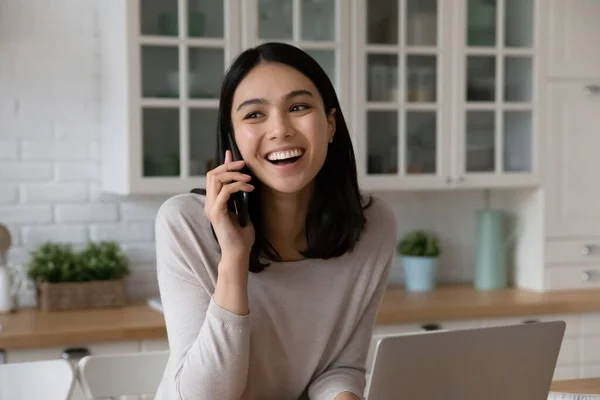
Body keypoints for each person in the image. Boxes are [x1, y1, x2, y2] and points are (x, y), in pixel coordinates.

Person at [154, 42, 397, 400]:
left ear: (330, 124)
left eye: (298, 107)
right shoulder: (184, 223)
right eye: (254, 115)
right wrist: (234, 259)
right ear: (233, 136)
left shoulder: (372, 226)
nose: (280, 130)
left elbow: (340, 366)